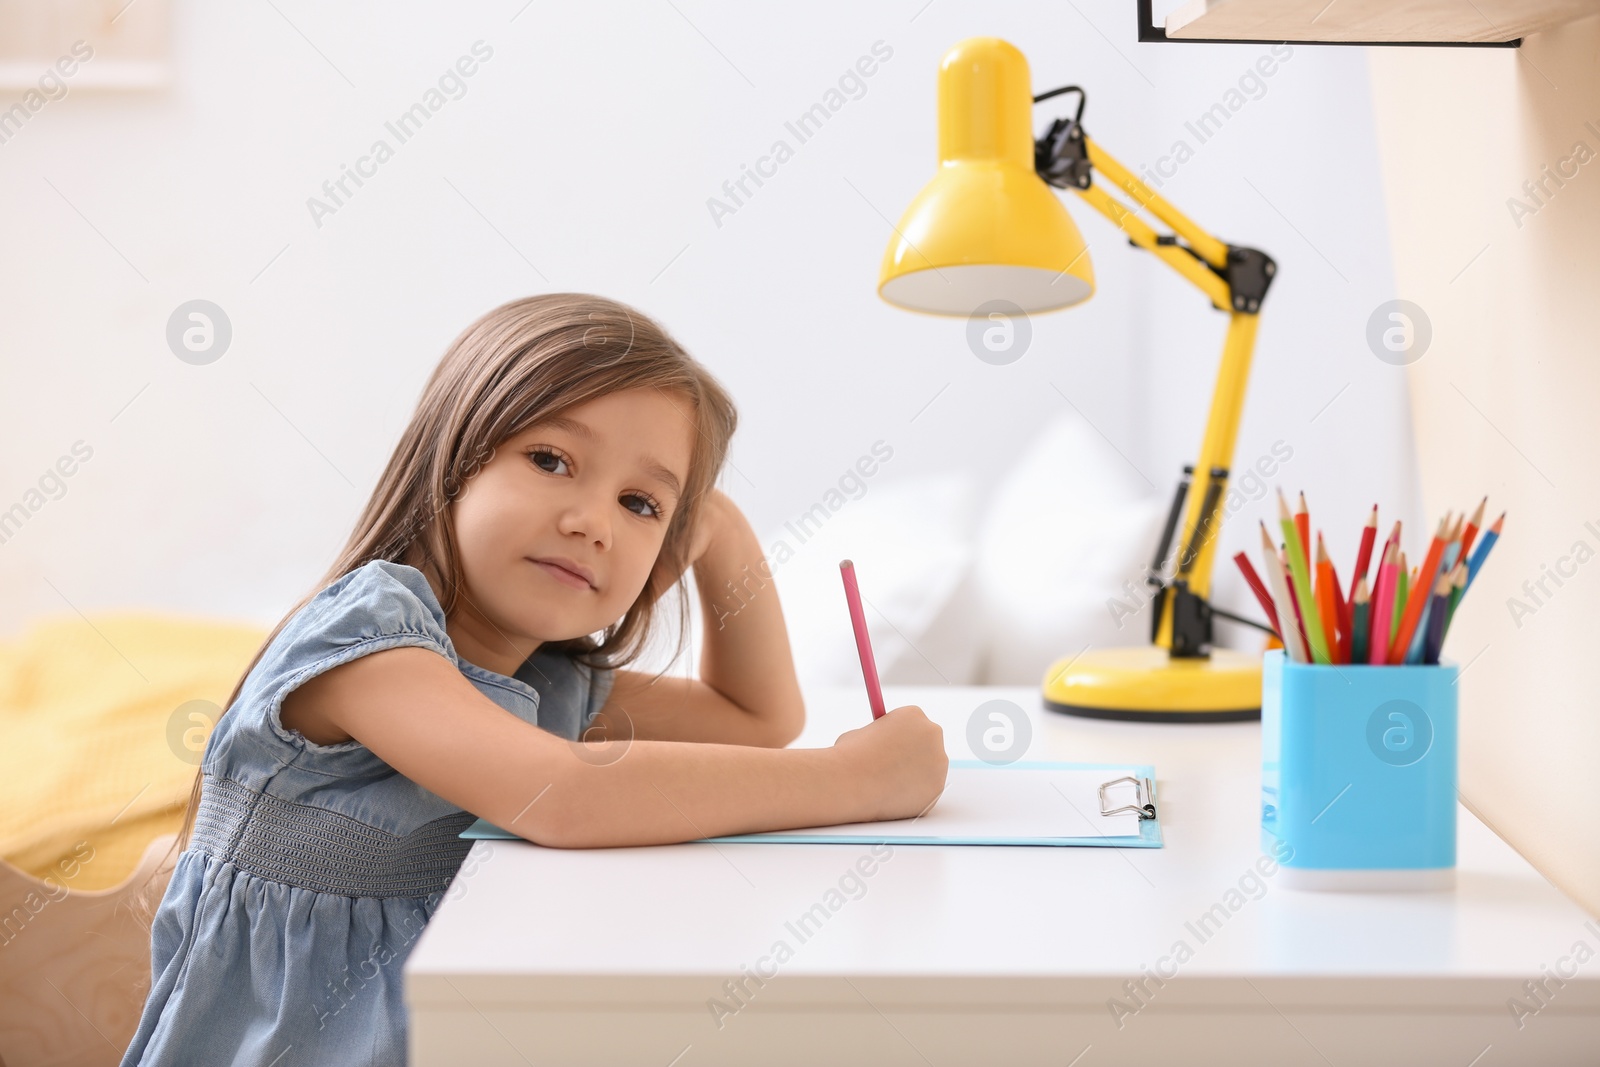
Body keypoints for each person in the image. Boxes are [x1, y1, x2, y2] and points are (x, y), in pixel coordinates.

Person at [118, 293, 947, 1066]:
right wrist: (855, 779)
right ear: (452, 455)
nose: (591, 520)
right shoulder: (367, 641)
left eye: (640, 504)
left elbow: (756, 714)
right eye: (551, 459)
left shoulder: (542, 682)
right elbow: (566, 797)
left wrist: (720, 529)